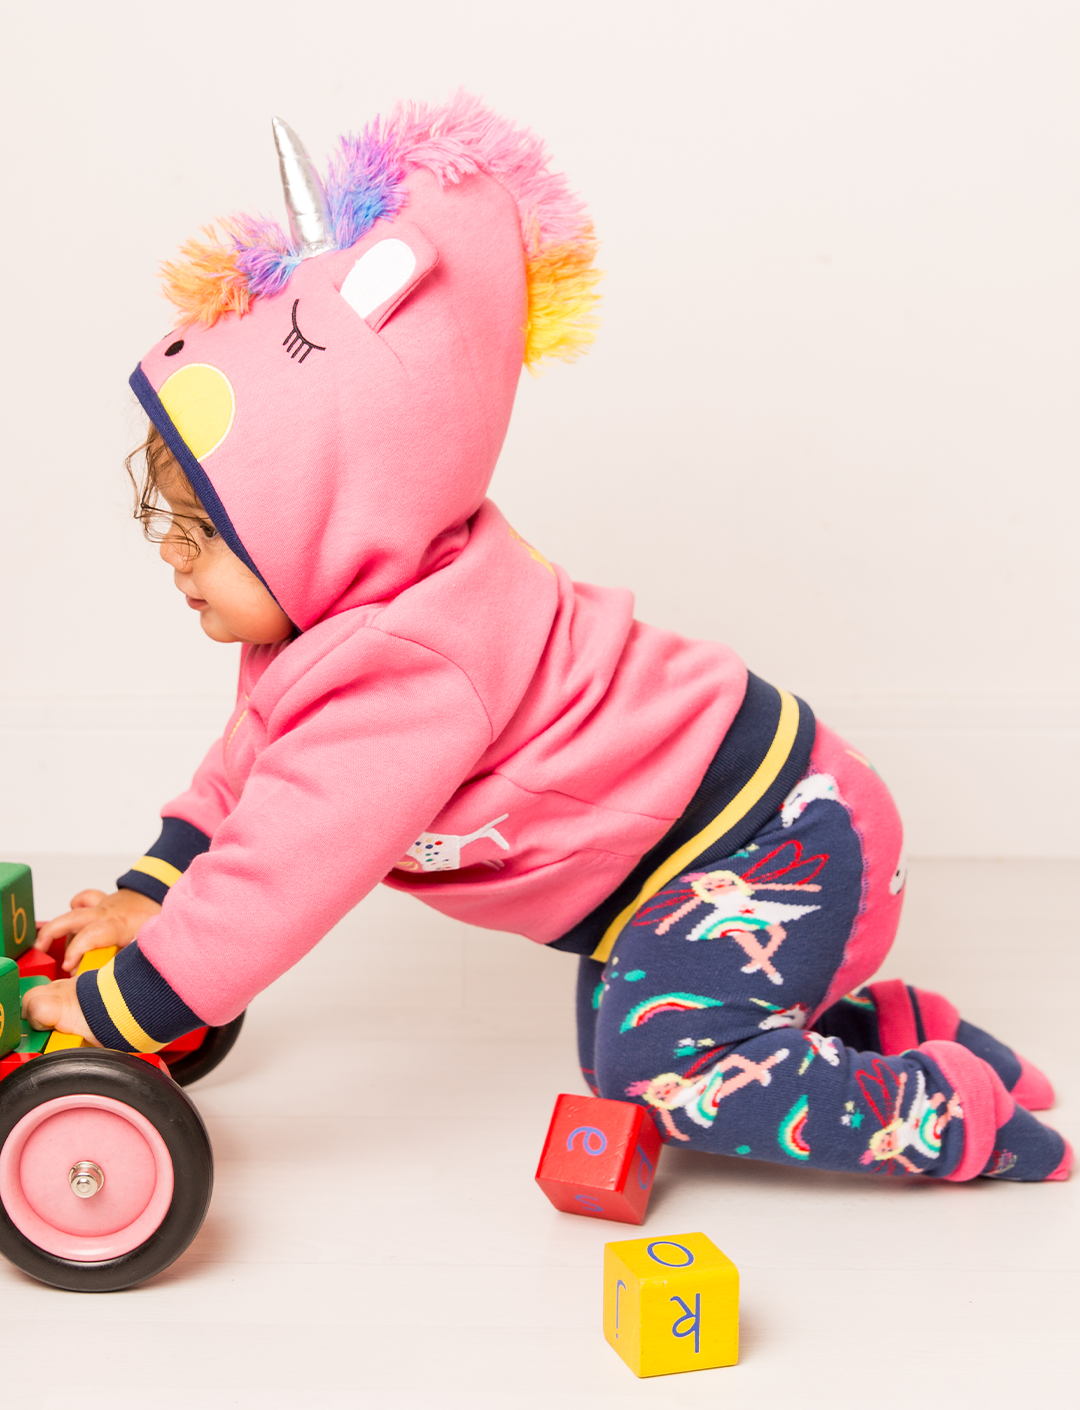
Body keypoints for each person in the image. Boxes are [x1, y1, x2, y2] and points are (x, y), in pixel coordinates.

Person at [23, 95, 1069, 1183]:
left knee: (661, 1075)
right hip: (727, 849)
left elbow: (282, 871)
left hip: (770, 845)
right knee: (641, 1037)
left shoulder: (408, 670)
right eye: (169, 522)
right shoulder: (346, 617)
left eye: (203, 531)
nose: (171, 552)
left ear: (333, 518)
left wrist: (128, 1006)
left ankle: (947, 1117)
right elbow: (248, 772)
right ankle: (897, 1029)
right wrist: (154, 891)